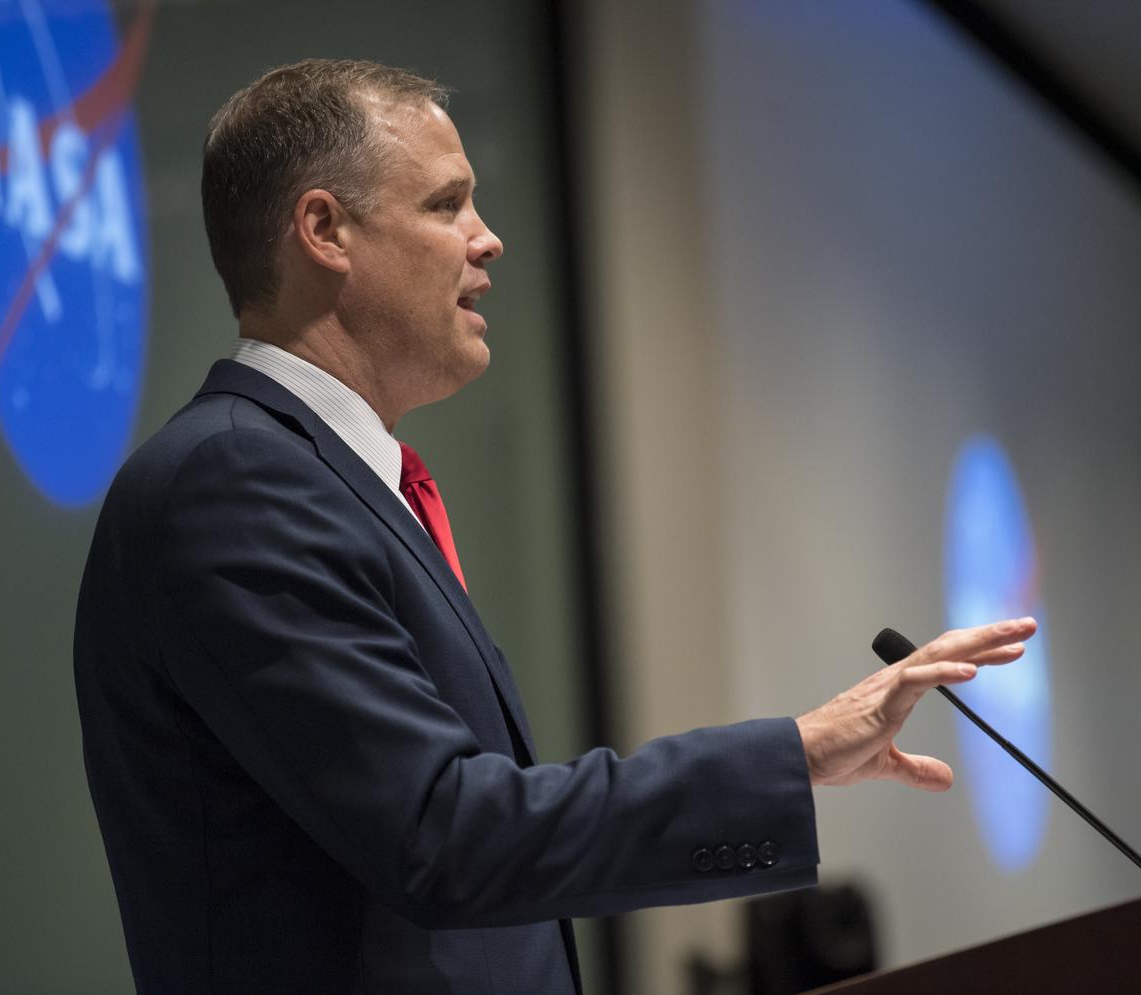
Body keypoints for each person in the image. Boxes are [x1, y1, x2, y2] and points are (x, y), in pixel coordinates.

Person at [74, 59, 1036, 994]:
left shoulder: (329, 485)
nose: (487, 239)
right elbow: (444, 835)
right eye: (447, 204)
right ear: (325, 229)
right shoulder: (235, 481)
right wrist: (790, 753)